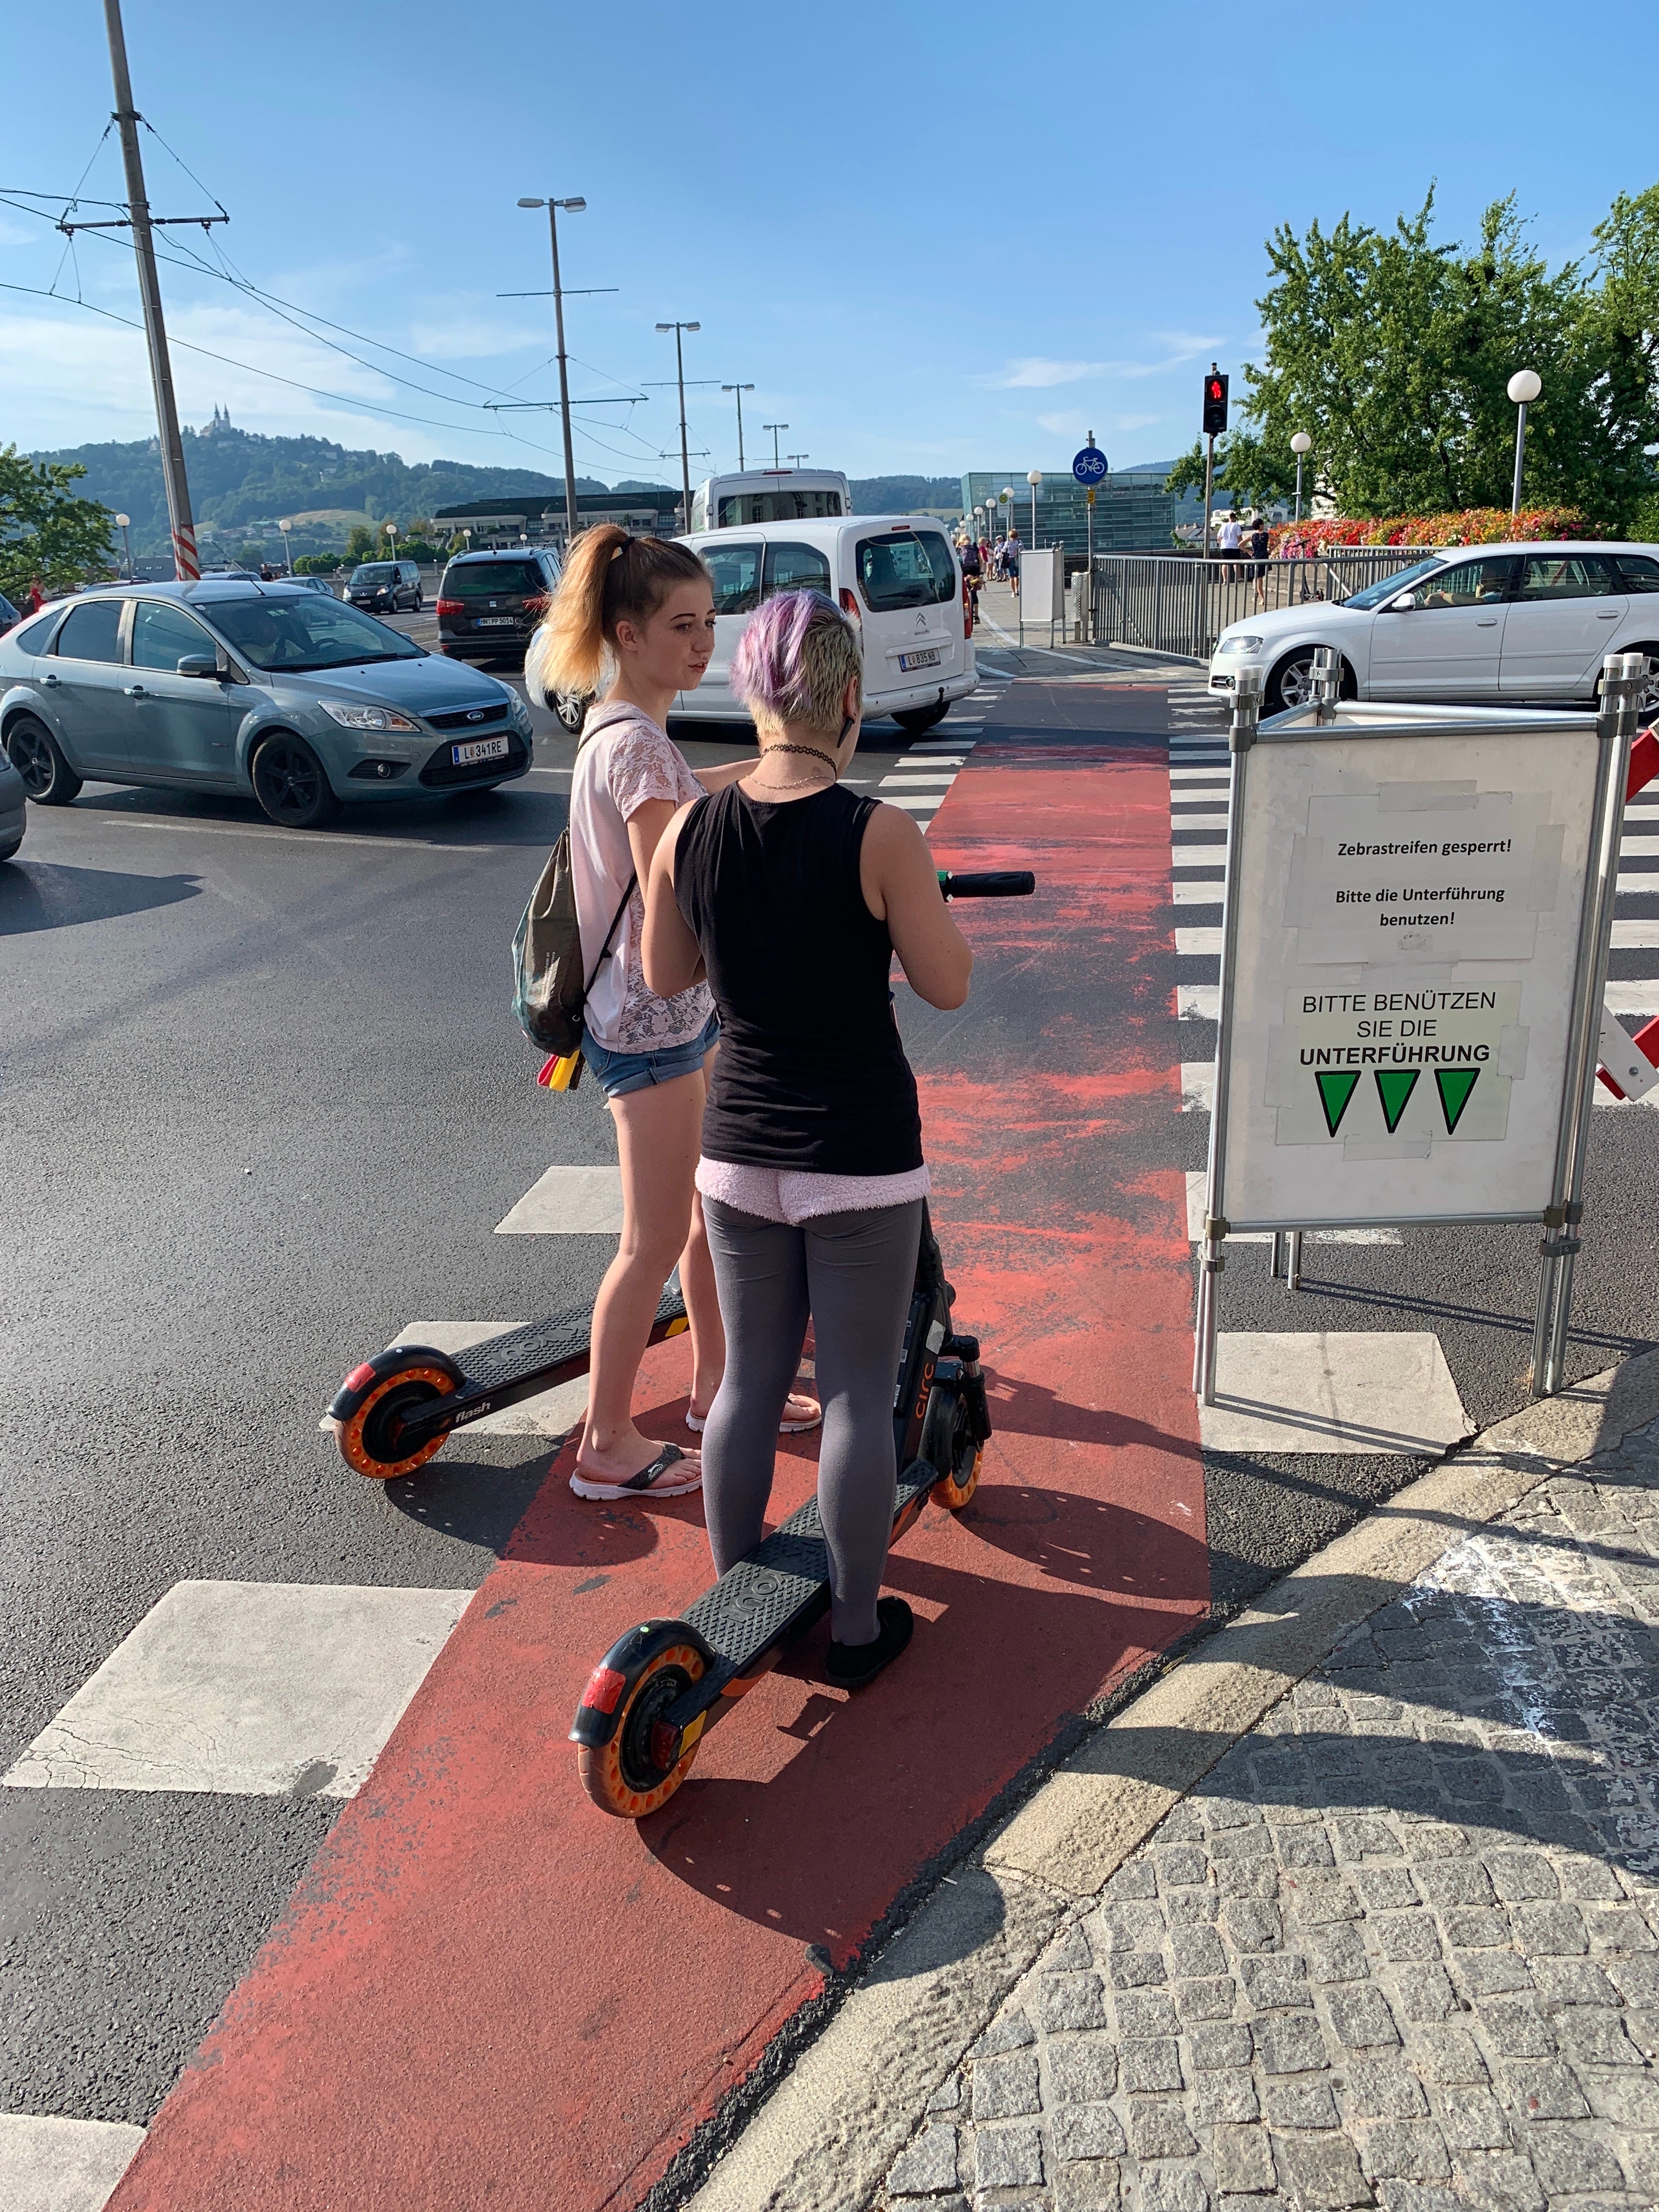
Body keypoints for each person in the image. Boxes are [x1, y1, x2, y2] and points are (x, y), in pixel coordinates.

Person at [642, 589, 974, 1685]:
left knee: (744, 1383)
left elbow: (666, 974)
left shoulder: (691, 828)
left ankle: (734, 1608)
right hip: (858, 1157)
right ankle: (855, 1630)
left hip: (738, 1149)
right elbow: (946, 983)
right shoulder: (879, 833)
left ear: (752, 698)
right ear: (848, 698)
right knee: (854, 1398)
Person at [538, 527, 820, 1504]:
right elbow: (677, 894)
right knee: (651, 1241)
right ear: (628, 633)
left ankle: (716, 1388)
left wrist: (774, 774)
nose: (703, 643)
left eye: (709, 621)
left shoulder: (621, 733)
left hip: (660, 1018)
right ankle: (605, 1443)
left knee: (705, 1217)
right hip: (650, 1028)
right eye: (681, 625)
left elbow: (686, 809)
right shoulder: (637, 749)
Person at [1246, 516, 1272, 607]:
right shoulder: (1266, 535)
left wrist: (1249, 551)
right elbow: (1278, 540)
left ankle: (1262, 598)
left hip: (1256, 558)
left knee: (1258, 579)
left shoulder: (1252, 536)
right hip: (1264, 556)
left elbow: (1240, 545)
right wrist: (1271, 550)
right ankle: (1258, 596)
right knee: (1259, 579)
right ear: (1260, 525)